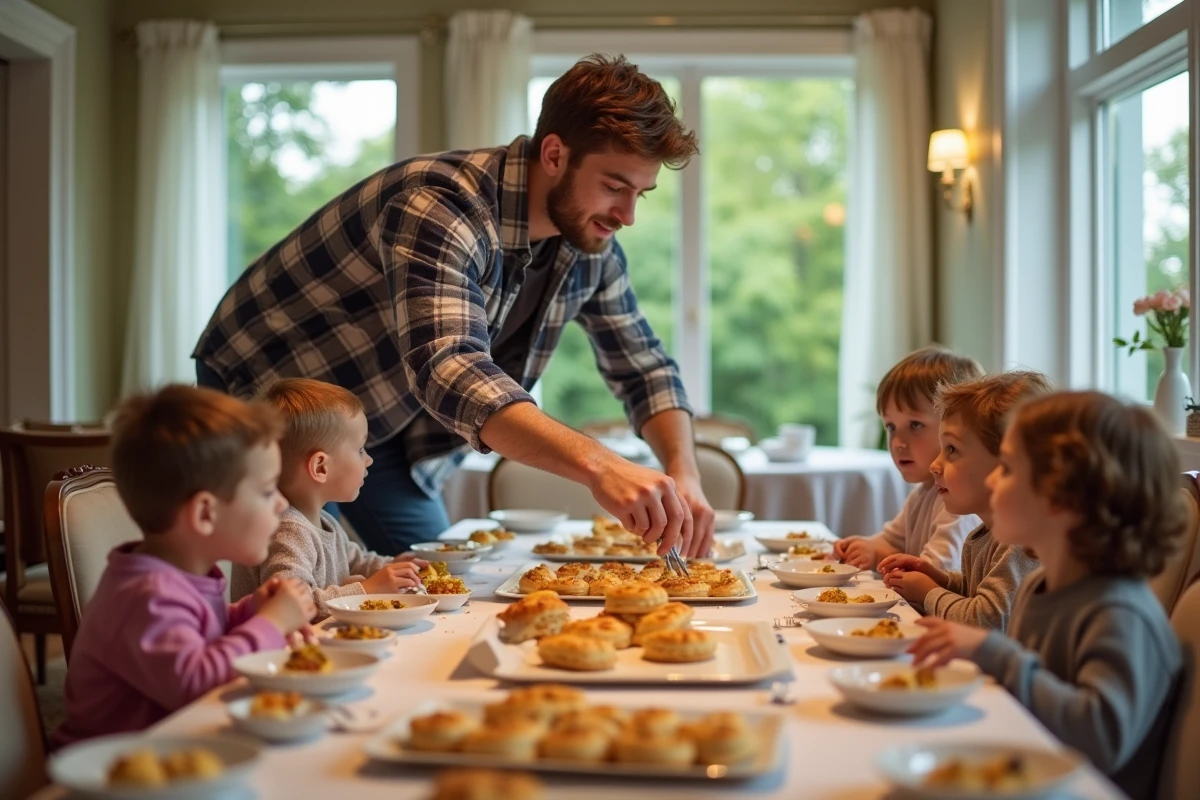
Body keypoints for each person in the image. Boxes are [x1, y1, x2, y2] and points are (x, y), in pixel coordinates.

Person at [193, 54, 714, 557]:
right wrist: (601, 465)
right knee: (269, 572)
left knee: (438, 581)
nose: (626, 215)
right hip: (271, 386)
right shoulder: (440, 203)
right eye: (613, 186)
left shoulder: (591, 248)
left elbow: (645, 369)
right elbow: (449, 366)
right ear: (554, 154)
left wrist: (683, 471)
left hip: (391, 416)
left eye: (639, 194)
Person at [909, 392, 1186, 800]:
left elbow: (1101, 740)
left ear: (1061, 498)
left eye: (1005, 468)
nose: (990, 481)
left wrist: (995, 652)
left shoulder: (1121, 613)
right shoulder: (1040, 588)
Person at [51, 385, 316, 748]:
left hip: (176, 752)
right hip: (119, 773)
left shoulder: (178, 576)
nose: (282, 504)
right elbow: (194, 685)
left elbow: (200, 638)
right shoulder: (146, 596)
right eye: (268, 491)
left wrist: (250, 612)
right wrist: (271, 623)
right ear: (206, 513)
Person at [231, 378, 429, 615]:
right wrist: (366, 589)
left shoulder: (322, 520)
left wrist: (393, 566)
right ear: (321, 468)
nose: (369, 459)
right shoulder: (288, 529)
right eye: (360, 450)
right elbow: (289, 604)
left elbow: (355, 560)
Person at [878, 372, 1051, 629]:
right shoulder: (984, 535)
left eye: (951, 450)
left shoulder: (1020, 544)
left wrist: (928, 593)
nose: (935, 465)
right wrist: (940, 579)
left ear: (1005, 463)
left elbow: (988, 619)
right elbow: (977, 593)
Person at [833, 345, 983, 571]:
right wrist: (869, 549)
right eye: (891, 426)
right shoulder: (922, 494)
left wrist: (881, 557)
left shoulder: (958, 505)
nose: (898, 442)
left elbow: (935, 571)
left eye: (915, 425)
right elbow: (892, 542)